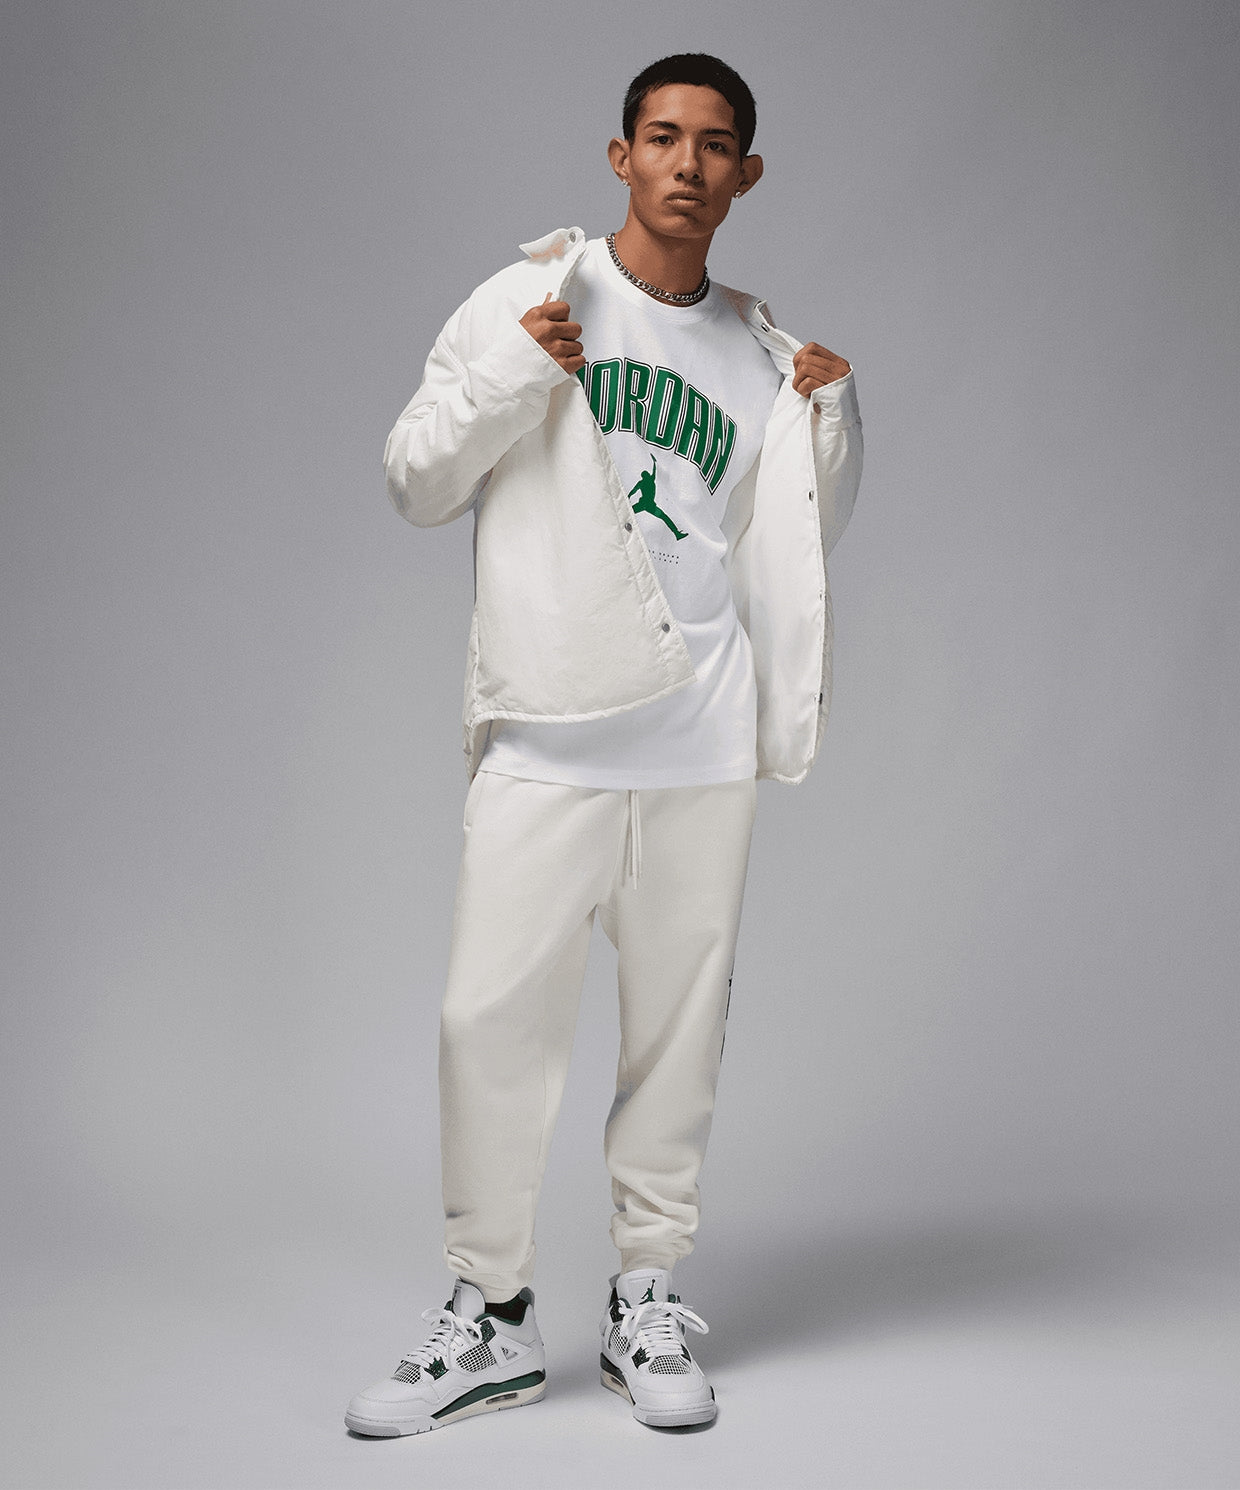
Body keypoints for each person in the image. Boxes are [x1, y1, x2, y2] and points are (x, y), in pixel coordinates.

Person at [346, 52, 863, 1437]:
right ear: (621, 155)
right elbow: (415, 477)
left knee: (679, 1041)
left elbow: (790, 548)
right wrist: (517, 371)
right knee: (487, 1026)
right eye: (663, 138)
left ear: (747, 174)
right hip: (551, 731)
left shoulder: (761, 352)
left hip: (701, 744)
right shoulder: (533, 298)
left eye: (716, 145)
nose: (688, 164)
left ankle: (646, 1296)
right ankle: (491, 1313)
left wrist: (830, 423)